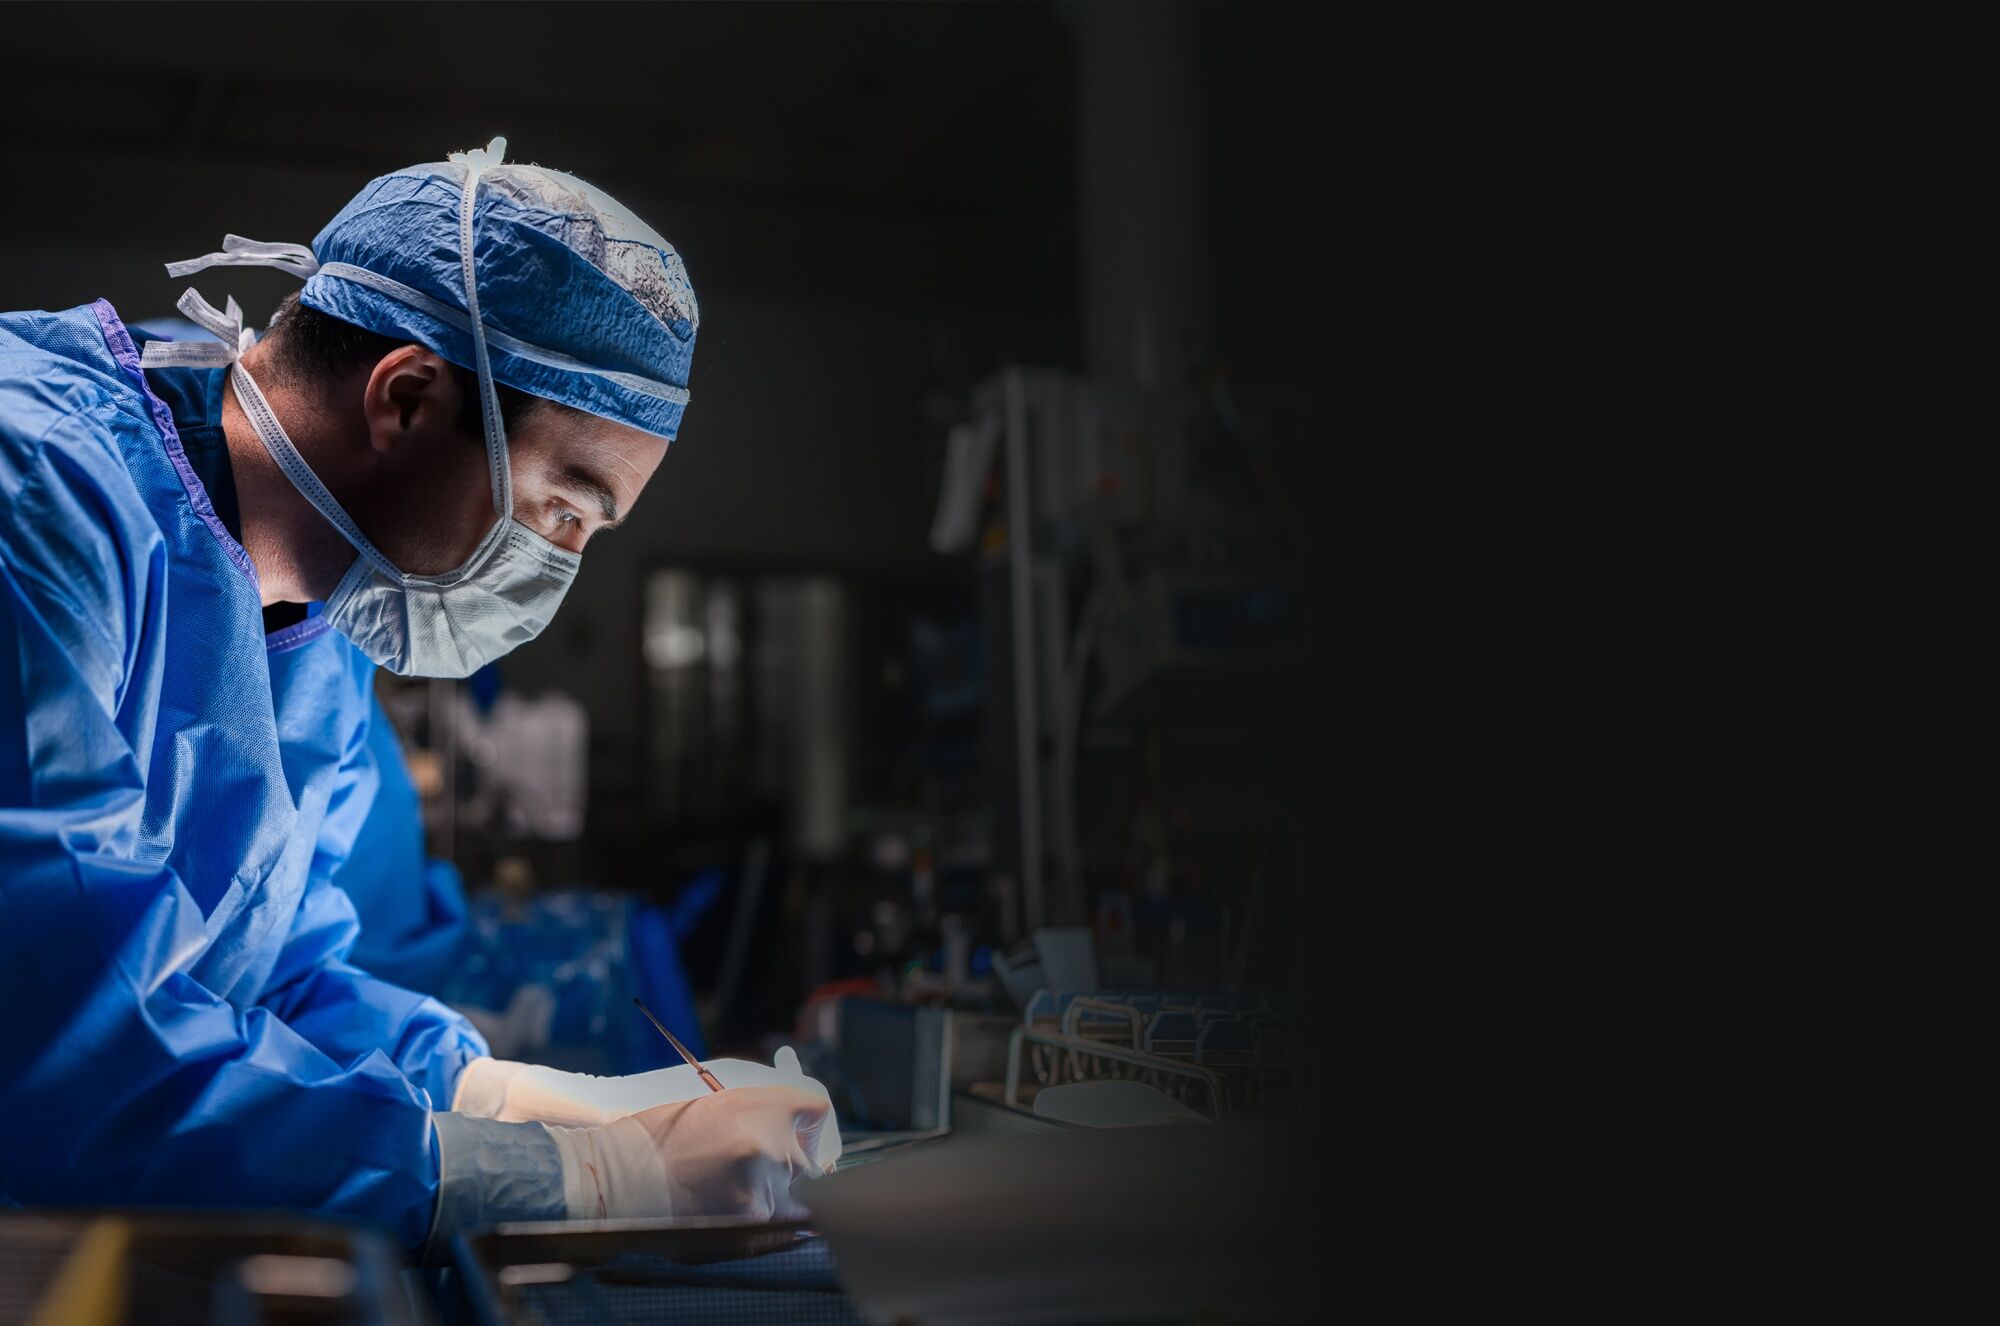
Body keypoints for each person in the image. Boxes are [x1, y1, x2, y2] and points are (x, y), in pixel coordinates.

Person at [0, 139, 837, 1253]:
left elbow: (275, 984)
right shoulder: (38, 501)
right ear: (405, 398)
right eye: (562, 509)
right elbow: (61, 1058)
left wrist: (511, 1097)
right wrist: (584, 1176)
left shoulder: (318, 620)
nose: (559, 562)